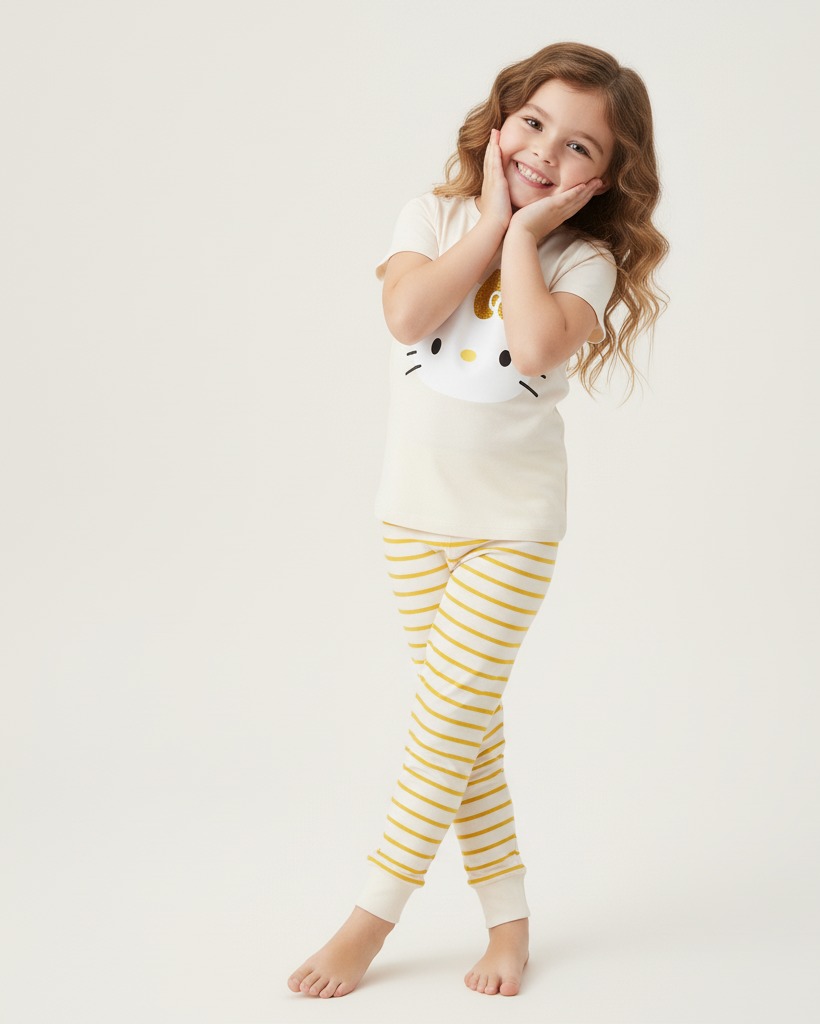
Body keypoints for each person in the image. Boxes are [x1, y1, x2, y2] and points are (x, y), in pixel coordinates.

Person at [288, 40, 668, 1000]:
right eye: (534, 123)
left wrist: (525, 237)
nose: (546, 150)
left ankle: (371, 918)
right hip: (411, 520)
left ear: (605, 176)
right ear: (499, 122)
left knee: (444, 722)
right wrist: (492, 219)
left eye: (579, 146)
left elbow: (534, 344)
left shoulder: (583, 261)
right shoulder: (431, 216)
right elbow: (408, 315)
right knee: (467, 734)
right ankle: (509, 921)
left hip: (511, 532)